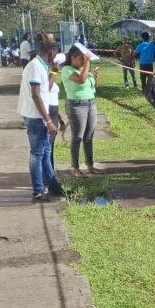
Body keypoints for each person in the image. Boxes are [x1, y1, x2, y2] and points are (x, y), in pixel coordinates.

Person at [18, 32, 65, 202]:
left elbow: (46, 89)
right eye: (55, 55)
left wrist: (54, 72)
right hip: (36, 117)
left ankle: (52, 185)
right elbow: (36, 95)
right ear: (51, 53)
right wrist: (48, 120)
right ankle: (38, 191)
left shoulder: (41, 66)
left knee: (46, 152)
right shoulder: (35, 66)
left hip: (39, 115)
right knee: (37, 154)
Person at [61, 43, 102, 177]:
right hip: (76, 105)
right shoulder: (67, 69)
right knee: (77, 137)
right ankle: (76, 168)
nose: (84, 62)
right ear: (73, 58)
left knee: (88, 137)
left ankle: (90, 165)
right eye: (82, 59)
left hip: (90, 104)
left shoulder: (83, 69)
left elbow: (92, 87)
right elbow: (81, 81)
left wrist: (95, 76)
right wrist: (88, 63)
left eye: (85, 59)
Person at [48, 53, 67, 171]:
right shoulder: (47, 75)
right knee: (47, 148)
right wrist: (53, 72)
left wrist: (60, 118)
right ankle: (47, 174)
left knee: (50, 147)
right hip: (48, 116)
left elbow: (53, 99)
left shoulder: (51, 76)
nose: (60, 67)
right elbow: (46, 90)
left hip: (54, 115)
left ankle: (50, 172)